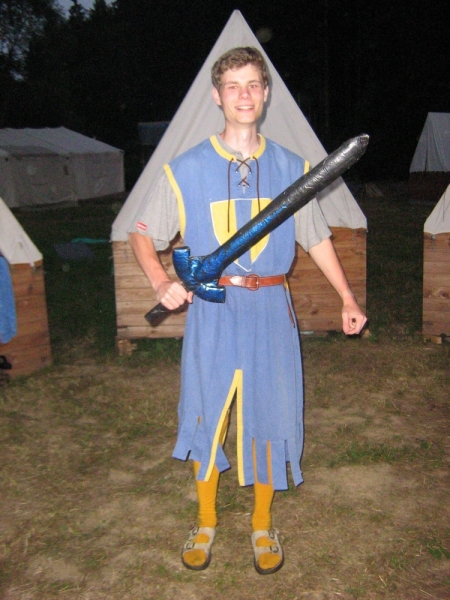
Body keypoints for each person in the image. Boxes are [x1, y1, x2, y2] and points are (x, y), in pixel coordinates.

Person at [129, 46, 367, 575]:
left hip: (271, 309)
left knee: (270, 411)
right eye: (233, 85)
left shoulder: (292, 168)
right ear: (217, 96)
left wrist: (347, 297)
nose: (244, 95)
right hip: (215, 311)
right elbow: (142, 234)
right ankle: (205, 520)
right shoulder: (186, 169)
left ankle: (262, 524)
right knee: (207, 413)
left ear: (265, 93)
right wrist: (161, 281)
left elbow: (316, 238)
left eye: (253, 84)